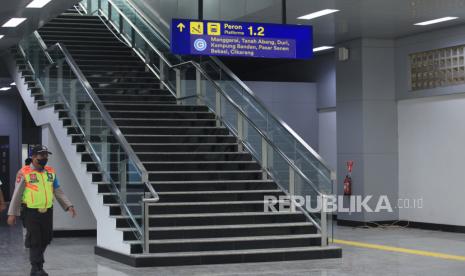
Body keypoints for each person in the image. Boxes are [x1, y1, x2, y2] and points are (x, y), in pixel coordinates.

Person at [7, 145, 77, 276]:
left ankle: (38, 266)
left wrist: (69, 205)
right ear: (33, 157)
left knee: (46, 239)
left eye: (46, 155)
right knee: (35, 240)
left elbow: (57, 191)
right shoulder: (24, 172)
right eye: (41, 155)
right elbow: (17, 194)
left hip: (47, 211)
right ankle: (36, 268)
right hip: (30, 212)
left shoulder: (50, 172)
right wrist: (12, 213)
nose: (45, 157)